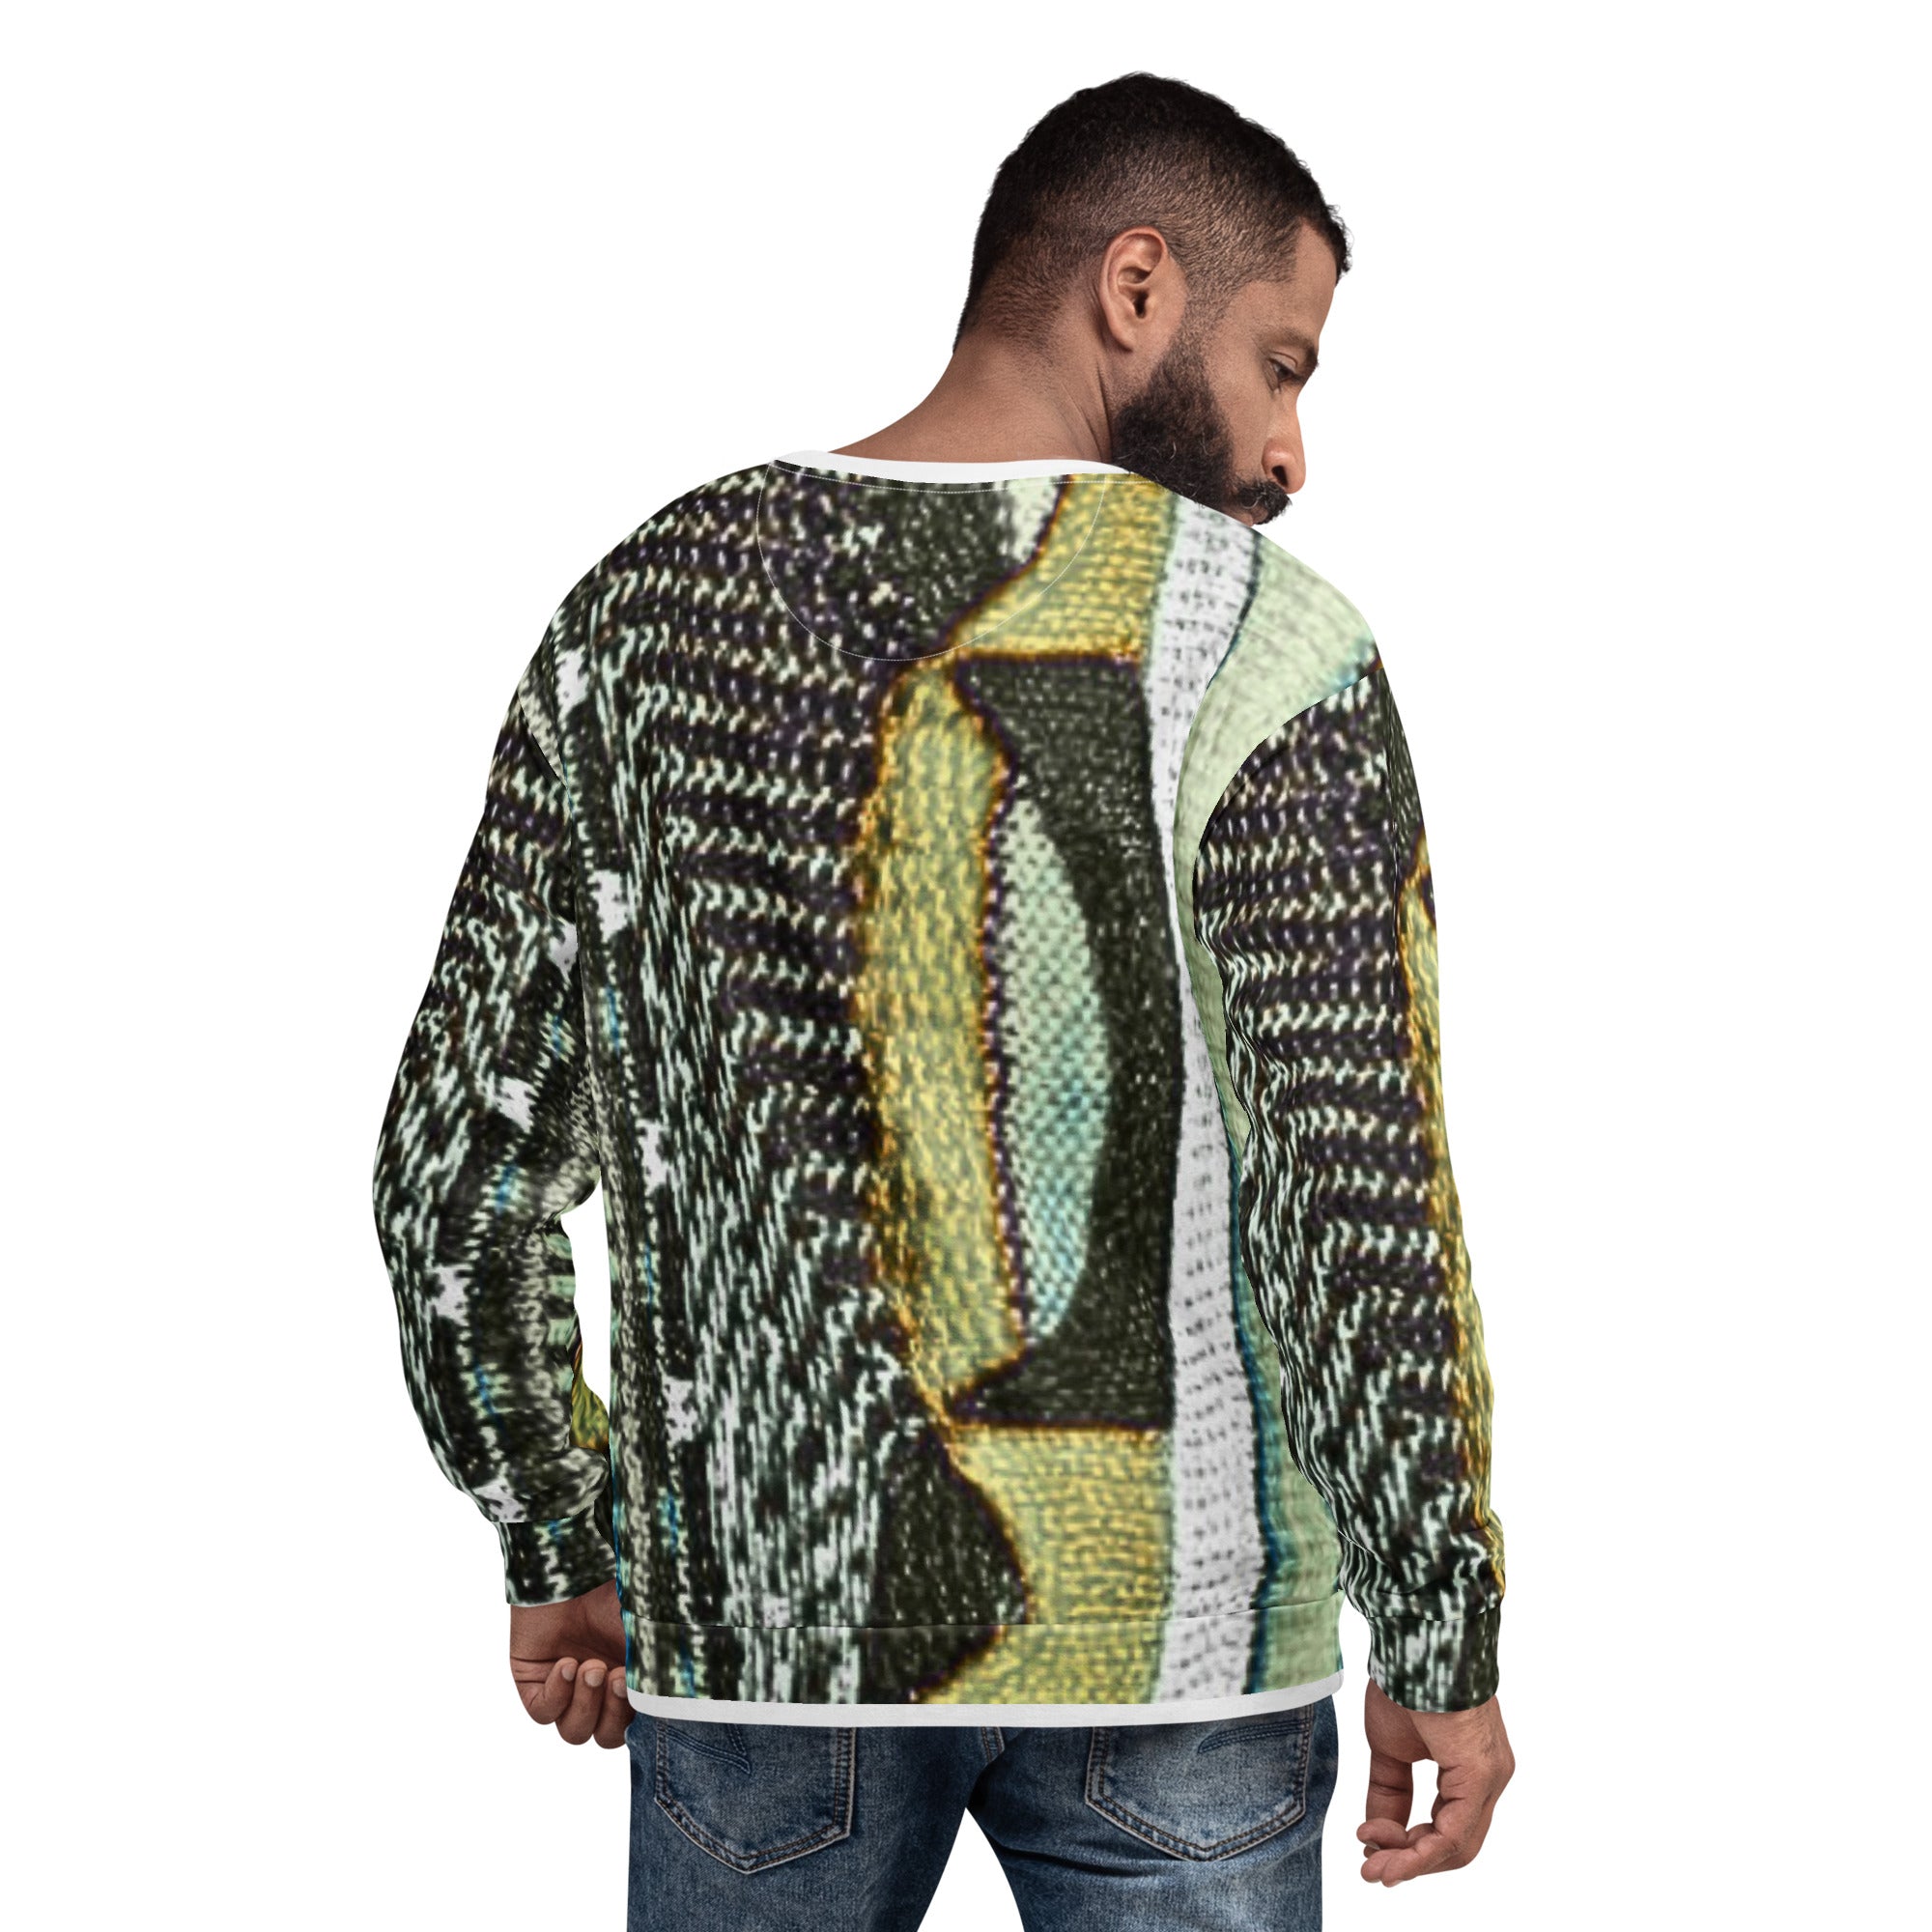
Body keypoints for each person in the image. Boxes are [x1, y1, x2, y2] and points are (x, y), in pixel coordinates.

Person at [371, 70, 1513, 1931]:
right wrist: (1442, 1630)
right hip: (1186, 1661)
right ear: (1136, 286)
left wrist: (558, 1533)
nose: (1291, 452)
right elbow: (1353, 1191)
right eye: (1283, 365)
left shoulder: (642, 621)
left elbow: (451, 1180)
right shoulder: (1271, 640)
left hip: (764, 1647)